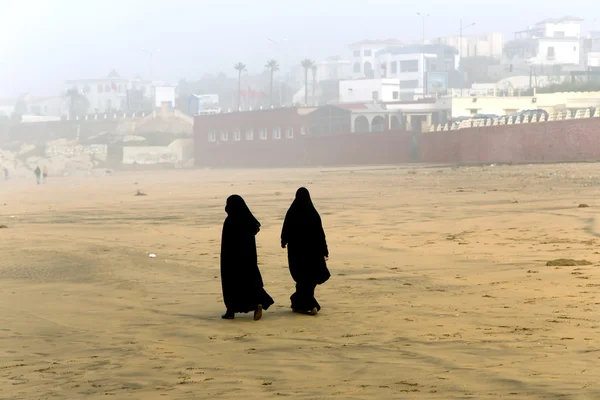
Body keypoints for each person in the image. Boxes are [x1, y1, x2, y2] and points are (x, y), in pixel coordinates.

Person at [220, 195, 274, 320]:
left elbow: (226, 245)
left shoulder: (230, 221)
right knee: (250, 283)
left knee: (232, 285)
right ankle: (257, 303)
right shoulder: (247, 221)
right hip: (248, 259)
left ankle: (231, 311)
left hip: (232, 261)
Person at [281, 187, 330, 315]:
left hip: (297, 254)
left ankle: (302, 303)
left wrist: (284, 240)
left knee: (302, 279)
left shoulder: (292, 212)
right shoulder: (313, 213)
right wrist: (324, 250)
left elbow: (286, 228)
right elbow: (320, 234)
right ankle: (306, 304)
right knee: (309, 280)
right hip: (313, 254)